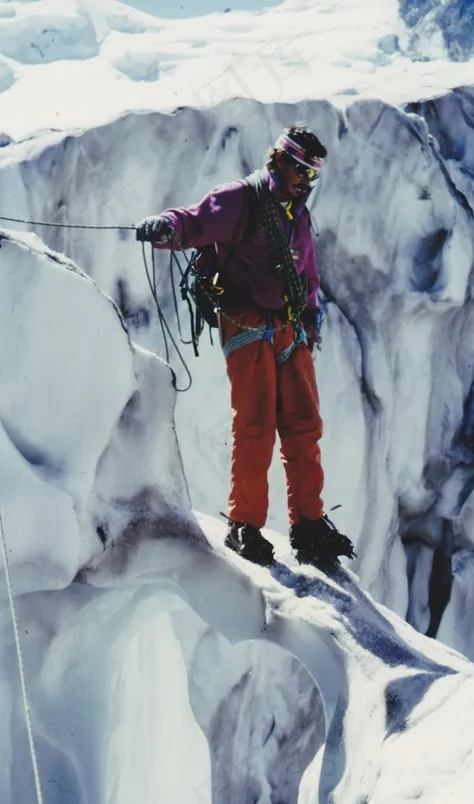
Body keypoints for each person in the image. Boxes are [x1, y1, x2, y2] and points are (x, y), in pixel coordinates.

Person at [136, 124, 354, 569]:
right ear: (278, 158)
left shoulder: (297, 215)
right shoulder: (240, 197)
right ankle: (245, 527)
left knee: (304, 426)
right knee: (255, 426)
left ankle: (308, 525)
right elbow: (195, 220)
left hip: (289, 329)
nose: (304, 181)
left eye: (311, 175)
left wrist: (310, 320)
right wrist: (165, 228)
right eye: (299, 169)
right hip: (247, 325)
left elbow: (308, 275)